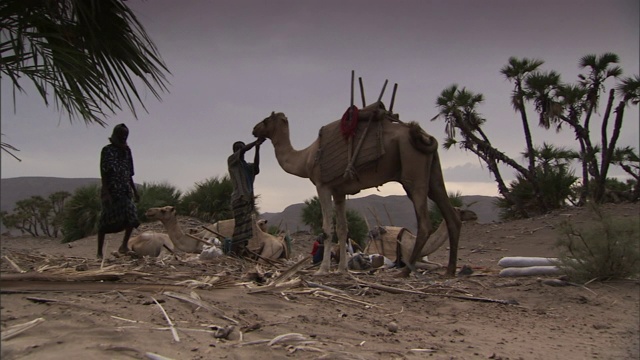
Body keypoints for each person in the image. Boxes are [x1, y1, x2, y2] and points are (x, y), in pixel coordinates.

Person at [96, 123, 141, 258]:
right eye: (121, 134)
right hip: (112, 190)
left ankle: (124, 245)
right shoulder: (107, 150)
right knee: (105, 222)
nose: (124, 137)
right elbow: (104, 173)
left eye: (126, 135)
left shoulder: (127, 151)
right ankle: (99, 252)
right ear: (116, 134)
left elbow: (129, 173)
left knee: (131, 217)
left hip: (125, 190)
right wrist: (106, 192)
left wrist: (135, 190)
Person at [227, 137, 265, 256]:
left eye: (241, 147)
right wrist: (255, 143)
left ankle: (242, 249)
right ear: (235, 151)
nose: (240, 149)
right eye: (238, 148)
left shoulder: (246, 166)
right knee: (239, 226)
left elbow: (256, 167)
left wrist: (257, 149)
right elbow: (244, 151)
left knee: (246, 228)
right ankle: (234, 251)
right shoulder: (232, 161)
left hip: (248, 199)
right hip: (239, 198)